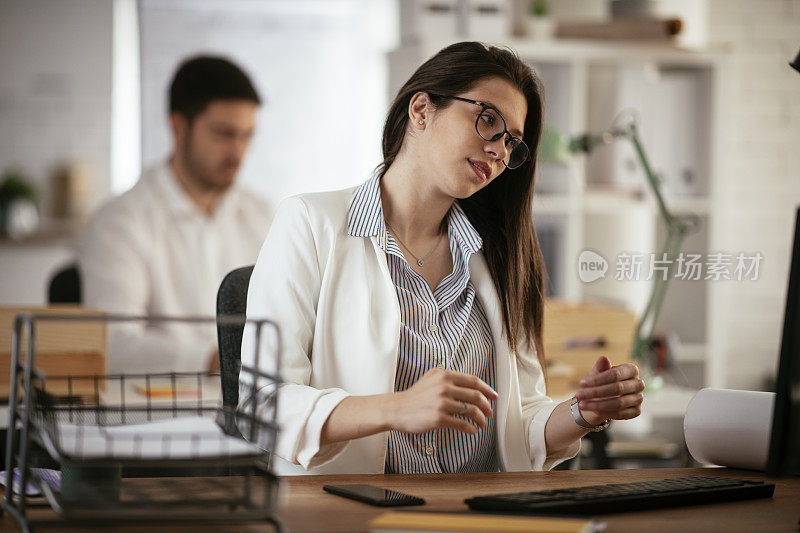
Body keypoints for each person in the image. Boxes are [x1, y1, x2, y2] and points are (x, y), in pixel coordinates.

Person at [240, 42, 644, 475]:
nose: (499, 152)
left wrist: (584, 412)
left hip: (481, 510)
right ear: (421, 110)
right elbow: (262, 404)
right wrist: (395, 408)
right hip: (354, 510)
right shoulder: (308, 223)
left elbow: (519, 423)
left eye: (512, 143)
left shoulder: (503, 255)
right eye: (488, 120)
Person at [79, 56, 272, 374]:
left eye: (247, 135)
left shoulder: (262, 215)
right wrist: (219, 362)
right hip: (157, 413)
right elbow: (112, 344)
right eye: (224, 133)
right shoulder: (119, 222)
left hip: (252, 409)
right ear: (179, 127)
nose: (238, 152)